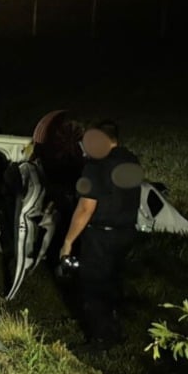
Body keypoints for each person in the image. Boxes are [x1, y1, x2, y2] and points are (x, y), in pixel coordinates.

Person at [58, 120, 144, 352]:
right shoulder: (130, 159)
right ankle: (116, 330)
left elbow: (85, 209)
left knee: (93, 287)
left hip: (100, 237)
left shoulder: (95, 167)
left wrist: (68, 242)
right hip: (126, 233)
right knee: (113, 282)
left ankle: (101, 340)